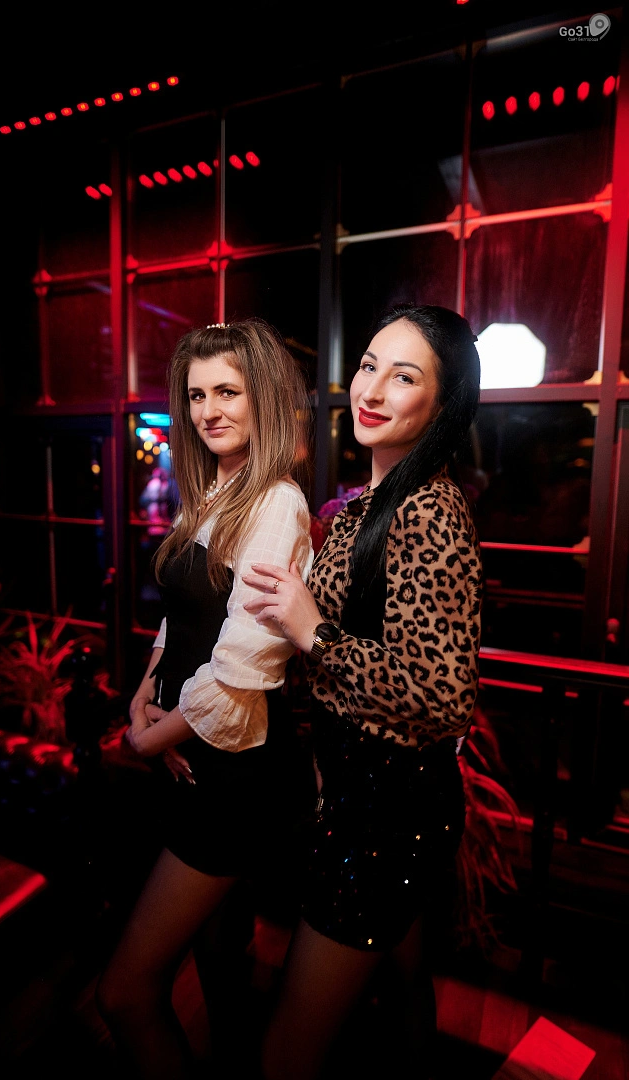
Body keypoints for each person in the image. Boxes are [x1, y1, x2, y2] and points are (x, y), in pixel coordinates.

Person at [243, 303, 483, 1080]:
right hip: (358, 788)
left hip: (387, 807)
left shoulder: (429, 512)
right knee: (403, 979)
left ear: (441, 406)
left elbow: (443, 695)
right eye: (370, 365)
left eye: (403, 376)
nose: (372, 390)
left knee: (285, 1053)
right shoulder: (362, 509)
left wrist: (314, 631)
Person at [96, 319, 313, 1079]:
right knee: (220, 960)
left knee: (124, 993)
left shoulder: (276, 502)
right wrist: (141, 697)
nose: (209, 411)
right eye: (196, 395)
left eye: (228, 391)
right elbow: (181, 617)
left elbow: (241, 665)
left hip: (227, 772)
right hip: (186, 748)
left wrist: (149, 741)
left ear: (263, 400)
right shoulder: (215, 491)